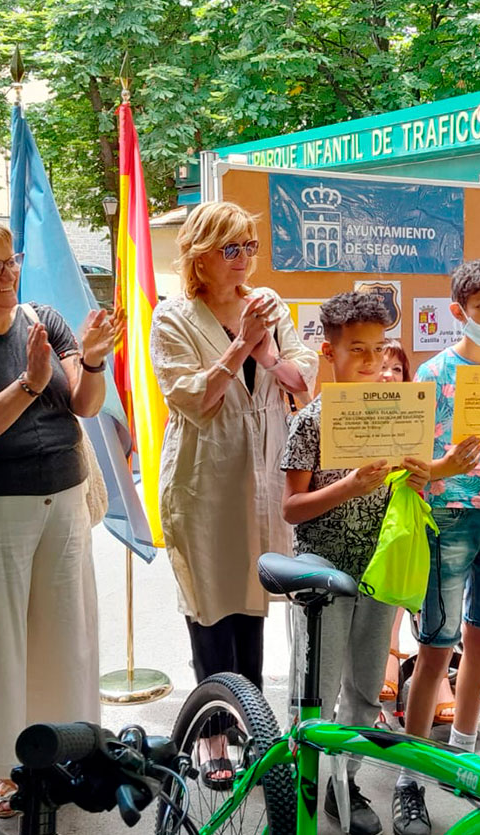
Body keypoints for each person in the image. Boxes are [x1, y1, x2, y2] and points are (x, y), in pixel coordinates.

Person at [0, 209, 121, 817]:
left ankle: (66, 753)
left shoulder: (43, 318)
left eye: (12, 261)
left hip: (61, 497)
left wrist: (89, 359)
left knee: (68, 637)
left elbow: (84, 405)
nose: (9, 274)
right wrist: (30, 384)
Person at [151, 201, 318, 782]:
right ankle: (213, 734)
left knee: (253, 598)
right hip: (206, 476)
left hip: (264, 470)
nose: (245, 260)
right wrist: (240, 344)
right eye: (231, 249)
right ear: (200, 255)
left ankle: (251, 721)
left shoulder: (268, 307)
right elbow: (191, 398)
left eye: (250, 247)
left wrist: (267, 348)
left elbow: (304, 379)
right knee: (211, 604)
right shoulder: (173, 316)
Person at [281, 294, 430, 835]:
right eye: (357, 352)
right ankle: (304, 781)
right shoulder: (312, 421)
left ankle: (344, 782)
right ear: (329, 352)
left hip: (381, 568)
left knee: (366, 687)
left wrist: (425, 476)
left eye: (377, 351)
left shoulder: (396, 414)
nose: (369, 363)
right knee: (314, 689)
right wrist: (348, 485)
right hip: (323, 572)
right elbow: (291, 507)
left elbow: (415, 482)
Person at [393, 259, 480, 835]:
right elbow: (410, 461)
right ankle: (411, 775)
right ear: (458, 313)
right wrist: (443, 467)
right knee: (434, 647)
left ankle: (466, 754)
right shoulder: (431, 371)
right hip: (448, 518)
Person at [378, 342, 458, 723]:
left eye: (397, 368)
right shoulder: (355, 412)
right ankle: (388, 656)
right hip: (376, 520)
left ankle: (437, 674)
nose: (388, 375)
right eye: (380, 367)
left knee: (429, 592)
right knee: (390, 581)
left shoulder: (418, 414)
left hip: (419, 512)